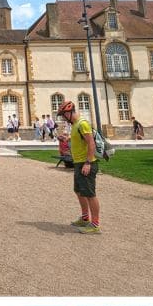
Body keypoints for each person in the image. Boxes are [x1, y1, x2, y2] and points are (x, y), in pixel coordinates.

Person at [57, 99, 99, 232]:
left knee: (90, 194)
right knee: (79, 191)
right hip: (78, 163)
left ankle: (95, 224)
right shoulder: (75, 125)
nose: (63, 117)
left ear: (69, 112)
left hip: (86, 163)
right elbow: (78, 139)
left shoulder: (82, 124)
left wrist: (87, 162)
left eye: (64, 115)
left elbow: (91, 143)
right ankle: (85, 218)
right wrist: (66, 139)